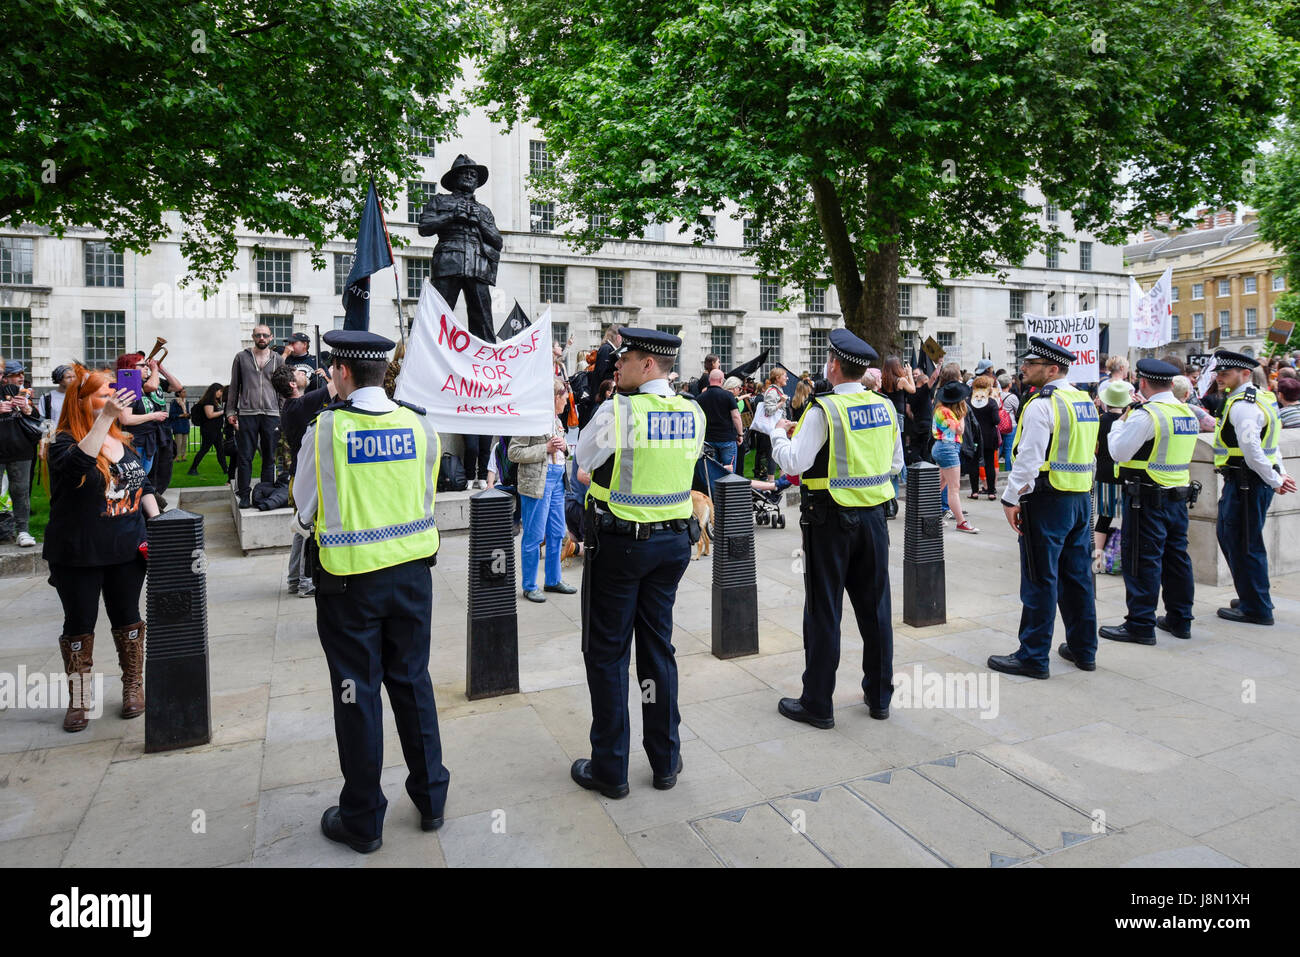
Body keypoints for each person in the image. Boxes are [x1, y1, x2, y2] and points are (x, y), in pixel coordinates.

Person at [290, 329, 450, 853]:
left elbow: (305, 508)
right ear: (384, 372)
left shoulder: (328, 429)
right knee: (413, 683)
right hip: (412, 577)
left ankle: (363, 819)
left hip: (349, 583)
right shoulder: (420, 426)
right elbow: (424, 495)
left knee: (356, 695)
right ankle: (431, 799)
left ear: (340, 372)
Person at [572, 328, 704, 798]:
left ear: (647, 365)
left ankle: (611, 767)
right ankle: (665, 758)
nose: (616, 365)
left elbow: (582, 460)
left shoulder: (619, 410)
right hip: (672, 546)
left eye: (624, 358)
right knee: (657, 651)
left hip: (622, 546)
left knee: (607, 654)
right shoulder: (692, 411)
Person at [767, 329, 901, 728]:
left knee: (824, 610)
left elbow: (794, 463)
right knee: (876, 611)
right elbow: (895, 464)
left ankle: (818, 702)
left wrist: (777, 433)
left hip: (829, 521)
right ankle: (879, 697)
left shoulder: (823, 410)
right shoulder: (884, 407)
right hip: (876, 517)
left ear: (835, 365)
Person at [43, 367, 161, 731]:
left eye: (114, 390)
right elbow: (79, 465)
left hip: (126, 549)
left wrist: (157, 526)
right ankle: (79, 698)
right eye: (103, 392)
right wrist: (106, 417)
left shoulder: (122, 441)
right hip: (79, 552)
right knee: (79, 623)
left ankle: (133, 686)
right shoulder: (62, 442)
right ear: (82, 401)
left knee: (128, 618)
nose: (114, 395)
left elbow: (143, 485)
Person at [989, 336, 1099, 679]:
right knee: (1078, 577)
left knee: (1040, 578)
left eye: (1031, 365)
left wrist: (1010, 498)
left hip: (1049, 500)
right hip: (1080, 498)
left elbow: (1028, 461)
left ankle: (1033, 656)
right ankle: (1084, 649)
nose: (1023, 368)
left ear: (1052, 369)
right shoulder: (1082, 400)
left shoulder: (1041, 404)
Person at [1100, 359, 1198, 645]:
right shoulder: (1186, 412)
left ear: (1142, 383)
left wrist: (1119, 424)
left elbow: (1119, 451)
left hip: (1147, 499)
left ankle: (1140, 624)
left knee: (1143, 560)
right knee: (1177, 559)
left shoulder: (1146, 415)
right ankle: (1181, 619)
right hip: (1177, 498)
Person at [1210, 350, 1296, 625]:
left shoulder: (1242, 406)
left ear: (1245, 373)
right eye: (1219, 373)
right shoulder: (1261, 398)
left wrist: (1275, 478)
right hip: (1249, 481)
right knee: (1234, 538)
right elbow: (1272, 446)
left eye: (1226, 373)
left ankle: (1256, 607)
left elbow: (1253, 451)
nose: (1220, 378)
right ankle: (1252, 595)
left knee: (1244, 543)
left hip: (1246, 482)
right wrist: (1278, 474)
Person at [417, 154, 503, 342]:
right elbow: (424, 228)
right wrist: (452, 216)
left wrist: (480, 222)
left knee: (483, 321)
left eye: (473, 174)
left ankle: (485, 362)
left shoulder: (484, 210)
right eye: (465, 173)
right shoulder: (439, 201)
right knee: (437, 317)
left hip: (478, 265)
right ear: (455, 178)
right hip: (448, 261)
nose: (470, 177)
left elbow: (498, 241)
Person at [510, 377, 577, 602]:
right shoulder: (532, 418)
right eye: (564, 399)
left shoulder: (556, 420)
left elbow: (562, 450)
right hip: (537, 482)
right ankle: (529, 585)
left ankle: (552, 580)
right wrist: (545, 448)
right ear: (555, 397)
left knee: (557, 532)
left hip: (557, 481)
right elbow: (514, 453)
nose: (566, 404)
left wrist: (565, 448)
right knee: (534, 535)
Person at [275, 365, 334, 597]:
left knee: (302, 528)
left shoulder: (294, 406)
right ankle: (303, 581)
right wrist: (330, 371)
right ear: (292, 384)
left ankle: (295, 579)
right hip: (305, 475)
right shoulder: (300, 404)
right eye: (299, 374)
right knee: (305, 528)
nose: (304, 375)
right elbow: (335, 386)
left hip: (301, 473)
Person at [226, 323, 285, 509]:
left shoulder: (278, 360)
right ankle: (244, 493)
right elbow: (234, 386)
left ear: (271, 338)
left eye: (265, 335)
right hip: (247, 413)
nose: (262, 338)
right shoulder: (241, 358)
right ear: (253, 336)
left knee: (269, 457)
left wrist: (283, 413)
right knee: (245, 456)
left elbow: (283, 389)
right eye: (258, 335)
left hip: (272, 414)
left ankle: (264, 493)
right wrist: (230, 411)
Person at [1092, 379, 1133, 562]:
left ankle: (1097, 559)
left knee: (1104, 518)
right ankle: (1125, 557)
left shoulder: (1099, 421)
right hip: (1126, 474)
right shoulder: (1131, 421)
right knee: (1129, 519)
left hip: (1104, 474)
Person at [1, 359, 40, 547]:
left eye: (22, 373)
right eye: (16, 374)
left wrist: (26, 408)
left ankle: (23, 531)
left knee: (21, 491)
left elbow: (36, 419)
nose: (21, 377)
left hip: (20, 448)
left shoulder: (23, 392)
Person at [932, 381, 979, 533]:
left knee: (940, 485)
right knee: (954, 488)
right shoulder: (945, 411)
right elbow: (959, 430)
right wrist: (963, 415)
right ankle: (961, 522)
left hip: (944, 447)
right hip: (948, 448)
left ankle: (932, 517)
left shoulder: (942, 409)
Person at [695, 368, 744, 493]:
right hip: (727, 438)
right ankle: (728, 498)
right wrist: (740, 434)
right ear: (722, 380)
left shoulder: (700, 398)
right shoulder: (728, 395)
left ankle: (714, 497)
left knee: (713, 472)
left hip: (709, 440)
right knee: (729, 472)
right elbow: (736, 416)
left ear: (710, 380)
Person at [968, 375, 1000, 501]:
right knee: (990, 463)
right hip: (989, 436)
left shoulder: (968, 401)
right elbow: (996, 420)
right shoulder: (991, 402)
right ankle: (991, 492)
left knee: (974, 463)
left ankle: (974, 492)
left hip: (974, 436)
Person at [187, 382, 228, 475]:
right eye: (220, 391)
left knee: (220, 450)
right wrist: (223, 412)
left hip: (216, 430)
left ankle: (225, 469)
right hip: (209, 430)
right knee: (205, 449)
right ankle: (192, 469)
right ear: (215, 391)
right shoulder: (209, 401)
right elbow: (209, 415)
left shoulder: (216, 401)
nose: (221, 393)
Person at [169, 388, 191, 462]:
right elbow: (171, 414)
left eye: (185, 392)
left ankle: (183, 456)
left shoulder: (186, 402)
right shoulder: (174, 402)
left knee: (184, 441)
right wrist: (181, 415)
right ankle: (176, 456)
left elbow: (187, 412)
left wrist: (188, 415)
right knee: (178, 442)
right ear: (178, 393)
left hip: (185, 423)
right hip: (177, 423)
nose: (185, 393)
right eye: (183, 392)